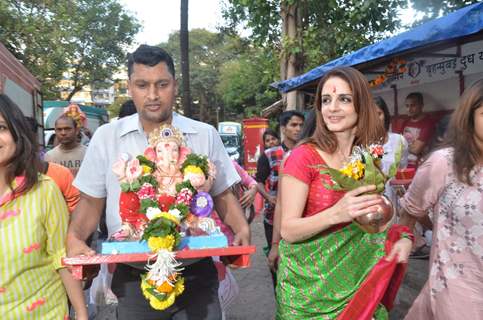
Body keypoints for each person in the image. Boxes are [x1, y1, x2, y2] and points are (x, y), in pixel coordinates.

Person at [66, 44, 250, 320]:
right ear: (130, 87)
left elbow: (223, 194)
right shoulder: (107, 137)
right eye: (142, 85)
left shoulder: (204, 134)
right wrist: (75, 237)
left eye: (161, 84)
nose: (152, 95)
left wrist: (240, 227)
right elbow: (91, 203)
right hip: (133, 277)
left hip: (197, 273)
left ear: (174, 86)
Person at [275, 67, 412, 319]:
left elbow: (371, 218)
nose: (332, 108)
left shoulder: (363, 158)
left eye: (344, 99)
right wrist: (336, 214)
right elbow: (288, 230)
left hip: (359, 284)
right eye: (326, 100)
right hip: (310, 295)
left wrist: (402, 236)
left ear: (362, 105)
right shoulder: (303, 157)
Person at [397, 79, 483, 320]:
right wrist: (405, 239)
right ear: (468, 118)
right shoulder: (443, 163)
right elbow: (409, 212)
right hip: (458, 293)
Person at [0, 94, 87, 319]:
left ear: (17, 134)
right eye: (58, 129)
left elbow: (61, 256)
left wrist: (81, 312)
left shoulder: (45, 189)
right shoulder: (51, 155)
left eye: (1, 127)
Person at [255, 110, 304, 288]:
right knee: (277, 261)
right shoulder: (270, 154)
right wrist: (269, 197)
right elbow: (258, 182)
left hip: (302, 218)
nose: (298, 129)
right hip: (273, 217)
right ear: (283, 128)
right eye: (293, 125)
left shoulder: (309, 153)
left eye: (300, 125)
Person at [374, 97, 409, 202]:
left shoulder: (399, 141)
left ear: (385, 115)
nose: (375, 119)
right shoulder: (362, 144)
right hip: (372, 203)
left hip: (395, 200)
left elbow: (402, 171)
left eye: (379, 114)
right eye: (370, 116)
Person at [44, 110, 88, 177]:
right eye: (59, 129)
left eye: (67, 129)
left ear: (76, 131)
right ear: (55, 131)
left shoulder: (88, 153)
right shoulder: (49, 156)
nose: (63, 133)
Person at [400, 92, 435, 168]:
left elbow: (416, 149)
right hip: (404, 163)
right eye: (407, 106)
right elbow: (397, 143)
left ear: (421, 106)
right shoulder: (405, 122)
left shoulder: (428, 123)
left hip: (420, 165)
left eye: (413, 105)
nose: (409, 109)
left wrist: (403, 146)